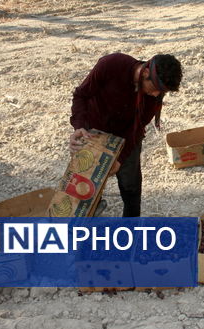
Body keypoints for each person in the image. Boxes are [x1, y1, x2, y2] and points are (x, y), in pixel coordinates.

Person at [69, 53, 183, 217]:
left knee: (131, 186)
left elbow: (136, 129)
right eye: (156, 88)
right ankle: (86, 223)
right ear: (145, 73)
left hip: (127, 137)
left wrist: (120, 159)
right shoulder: (112, 64)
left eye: (162, 91)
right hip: (93, 132)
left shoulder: (154, 98)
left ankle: (131, 226)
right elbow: (81, 95)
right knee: (87, 185)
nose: (156, 94)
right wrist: (79, 126)